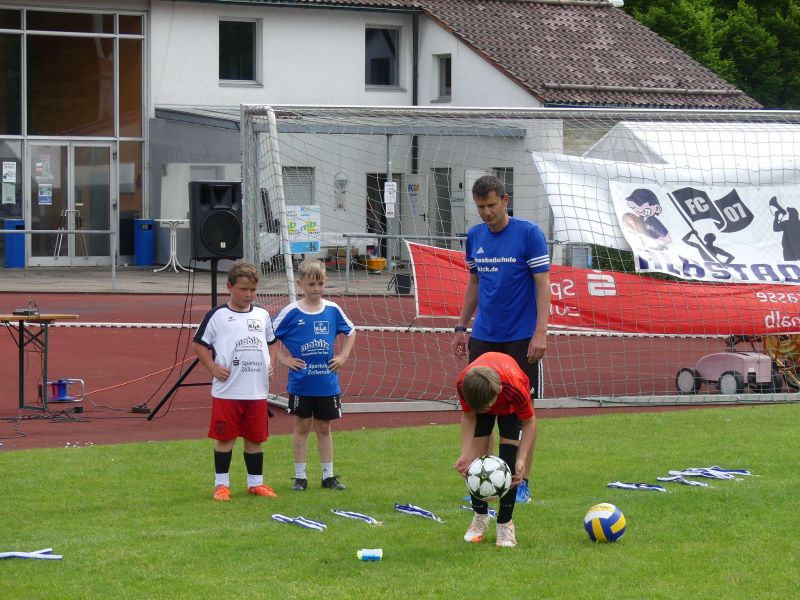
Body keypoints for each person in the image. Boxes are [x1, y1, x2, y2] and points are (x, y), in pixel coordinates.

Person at [452, 174, 551, 503]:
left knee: (520, 411)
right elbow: (474, 283)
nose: (486, 213)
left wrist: (540, 332)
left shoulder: (529, 233)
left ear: (505, 200)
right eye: (480, 207)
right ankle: (482, 483)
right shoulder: (475, 236)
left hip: (521, 338)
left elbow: (543, 284)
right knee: (482, 409)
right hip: (483, 337)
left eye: (491, 205)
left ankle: (521, 483)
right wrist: (461, 327)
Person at [192, 260, 278, 502]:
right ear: (229, 287)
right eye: (243, 289)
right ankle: (221, 485)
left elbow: (272, 343)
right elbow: (198, 345)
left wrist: (270, 364)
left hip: (256, 391)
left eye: (253, 290)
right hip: (228, 391)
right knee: (225, 438)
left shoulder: (262, 315)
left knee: (255, 439)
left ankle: (255, 483)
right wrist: (212, 367)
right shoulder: (217, 315)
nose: (249, 294)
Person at [272, 258, 356, 491]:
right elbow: (269, 336)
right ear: (300, 284)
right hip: (301, 383)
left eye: (320, 284)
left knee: (323, 428)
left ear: (325, 282)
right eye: (311, 284)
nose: (316, 289)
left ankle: (328, 476)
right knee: (301, 427)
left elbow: (351, 331)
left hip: (327, 383)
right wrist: (284, 359)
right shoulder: (291, 312)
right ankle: (300, 477)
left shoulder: (332, 309)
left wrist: (343, 356)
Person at [454, 352, 537, 548]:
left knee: (509, 467)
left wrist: (522, 458)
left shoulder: (514, 387)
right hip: (482, 399)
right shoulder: (466, 384)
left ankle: (505, 524)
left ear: (498, 391)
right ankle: (480, 517)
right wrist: (465, 454)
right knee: (475, 465)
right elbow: (469, 416)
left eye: (488, 407)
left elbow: (529, 422)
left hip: (510, 408)